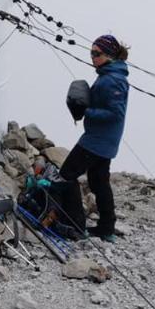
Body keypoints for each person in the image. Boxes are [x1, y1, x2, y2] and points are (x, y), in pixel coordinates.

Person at [58, 34, 130, 242]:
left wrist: (87, 111)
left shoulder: (113, 80)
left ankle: (75, 225)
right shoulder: (109, 74)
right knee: (99, 182)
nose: (92, 57)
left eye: (96, 53)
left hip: (97, 141)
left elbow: (116, 113)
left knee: (67, 175)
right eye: (91, 52)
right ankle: (107, 228)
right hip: (104, 141)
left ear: (108, 55)